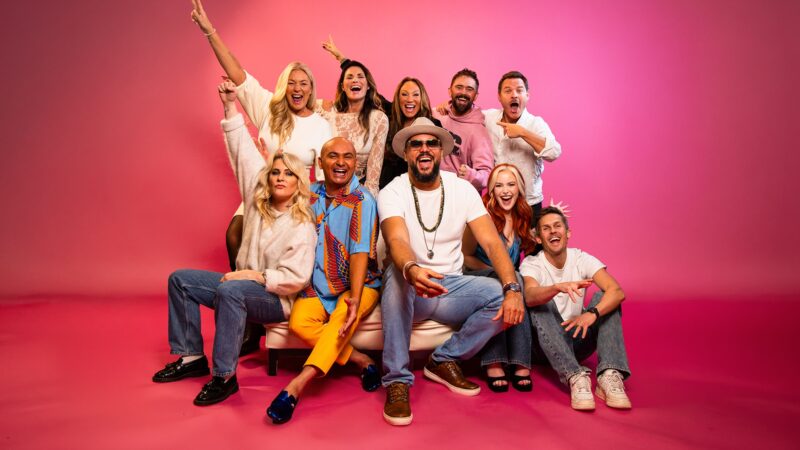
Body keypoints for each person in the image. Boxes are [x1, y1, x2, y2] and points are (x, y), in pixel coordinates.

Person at [151, 80, 317, 408]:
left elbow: (297, 278)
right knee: (180, 280)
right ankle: (191, 356)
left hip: (276, 300)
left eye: (288, 174)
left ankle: (224, 377)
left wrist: (251, 276)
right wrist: (229, 105)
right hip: (238, 286)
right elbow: (242, 151)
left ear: (299, 183)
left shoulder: (302, 224)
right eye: (275, 172)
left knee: (231, 291)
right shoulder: (256, 200)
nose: (280, 177)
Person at [191, 0, 332, 353]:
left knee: (281, 255)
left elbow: (326, 172)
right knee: (234, 234)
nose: (298, 88)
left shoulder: (320, 125)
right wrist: (209, 31)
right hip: (259, 195)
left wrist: (312, 207)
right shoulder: (269, 108)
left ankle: (264, 306)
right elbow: (237, 73)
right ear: (285, 86)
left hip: (294, 202)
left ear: (311, 89)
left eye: (304, 83)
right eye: (292, 82)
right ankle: (249, 318)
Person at [378, 117, 526, 426]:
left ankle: (443, 359)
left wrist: (513, 289)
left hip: (451, 289)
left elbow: (492, 242)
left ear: (441, 150)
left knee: (506, 292)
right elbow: (396, 240)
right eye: (416, 144)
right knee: (395, 274)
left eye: (431, 143)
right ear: (406, 153)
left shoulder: (462, 190)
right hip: (412, 285)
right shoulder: (393, 191)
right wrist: (411, 269)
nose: (424, 149)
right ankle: (397, 380)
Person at [266, 137, 382, 424]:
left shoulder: (363, 200)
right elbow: (273, 196)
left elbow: (359, 253)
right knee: (298, 323)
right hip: (318, 285)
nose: (341, 162)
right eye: (333, 156)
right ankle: (362, 360)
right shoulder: (309, 194)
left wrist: (355, 299)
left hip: (359, 284)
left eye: (348, 157)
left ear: (356, 163)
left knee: (341, 322)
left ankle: (296, 386)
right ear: (320, 163)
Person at [521, 206, 632, 410]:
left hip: (577, 338)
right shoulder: (532, 263)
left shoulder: (581, 258)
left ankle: (609, 375)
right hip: (544, 346)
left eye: (557, 226)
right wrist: (555, 288)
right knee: (541, 302)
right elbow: (529, 296)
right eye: (546, 228)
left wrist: (592, 313)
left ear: (568, 233)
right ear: (538, 238)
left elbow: (617, 291)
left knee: (604, 297)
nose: (553, 231)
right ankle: (575, 375)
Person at [320, 38, 442, 189]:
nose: (410, 99)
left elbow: (440, 153)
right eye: (404, 94)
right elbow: (364, 89)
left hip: (419, 184)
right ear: (398, 99)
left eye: (415, 95)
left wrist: (447, 106)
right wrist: (342, 60)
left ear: (422, 98)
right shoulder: (389, 118)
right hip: (388, 186)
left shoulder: (433, 125)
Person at [462, 164, 536, 392]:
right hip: (477, 274)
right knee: (505, 282)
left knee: (516, 280)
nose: (505, 191)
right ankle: (494, 361)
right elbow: (465, 257)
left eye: (511, 185)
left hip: (509, 279)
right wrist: (498, 272)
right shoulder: (480, 216)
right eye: (499, 185)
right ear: (491, 190)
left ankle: (519, 361)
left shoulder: (523, 216)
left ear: (519, 189)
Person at [483, 71, 561, 221]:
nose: (514, 95)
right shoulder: (489, 117)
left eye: (519, 90)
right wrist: (444, 108)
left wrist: (522, 132)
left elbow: (554, 152)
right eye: (508, 91)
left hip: (529, 204)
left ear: (527, 95)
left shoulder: (536, 123)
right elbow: (467, 113)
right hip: (498, 203)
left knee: (531, 237)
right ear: (499, 96)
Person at [315, 58, 388, 196]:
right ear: (343, 86)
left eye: (360, 77)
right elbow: (301, 98)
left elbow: (373, 179)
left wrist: (364, 202)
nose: (355, 80)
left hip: (358, 192)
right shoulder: (328, 113)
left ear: (368, 85)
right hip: (326, 191)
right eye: (349, 77)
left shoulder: (378, 119)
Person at [432, 68, 494, 192]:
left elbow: (488, 175)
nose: (463, 93)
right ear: (450, 91)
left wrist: (471, 175)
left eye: (469, 89)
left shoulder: (479, 131)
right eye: (459, 87)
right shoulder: (436, 115)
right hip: (431, 189)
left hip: (460, 194)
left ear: (475, 96)